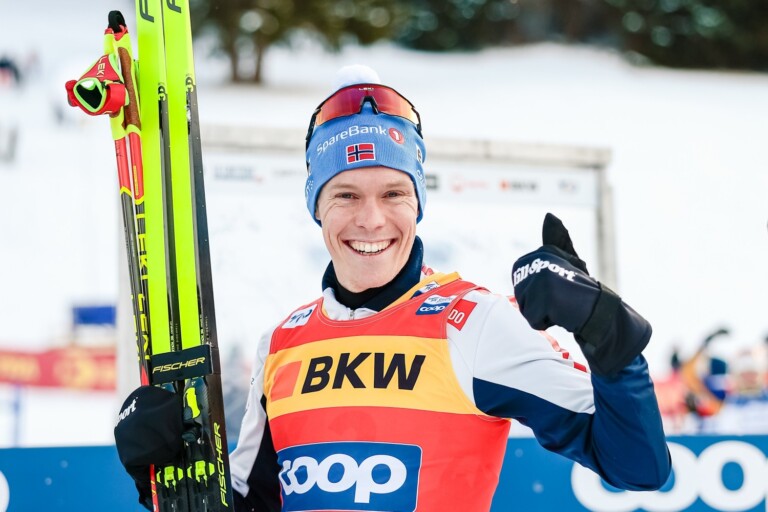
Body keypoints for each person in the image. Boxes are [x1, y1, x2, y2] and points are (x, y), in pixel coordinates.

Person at [115, 65, 671, 511]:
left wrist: (604, 327)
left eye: (393, 194)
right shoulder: (282, 343)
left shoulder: (474, 323)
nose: (371, 219)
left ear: (418, 202)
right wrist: (159, 474)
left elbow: (638, 465)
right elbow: (255, 503)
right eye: (346, 195)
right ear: (316, 207)